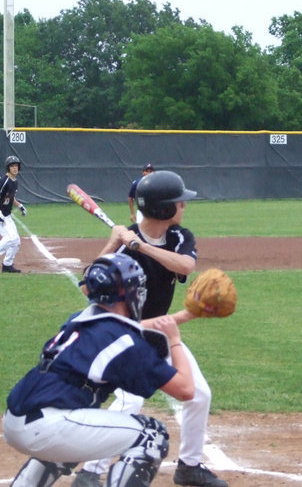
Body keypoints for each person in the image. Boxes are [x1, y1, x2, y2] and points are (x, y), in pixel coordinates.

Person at [74, 170, 228, 487]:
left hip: (158, 332)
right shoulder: (124, 242)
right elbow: (88, 288)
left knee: (199, 394)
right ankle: (90, 471)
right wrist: (114, 242)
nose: (184, 206)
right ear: (162, 208)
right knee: (130, 402)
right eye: (179, 202)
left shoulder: (178, 237)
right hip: (126, 338)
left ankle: (189, 466)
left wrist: (141, 247)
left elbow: (185, 266)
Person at [2, 253, 195, 487]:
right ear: (125, 294)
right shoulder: (125, 343)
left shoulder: (80, 320)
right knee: (152, 435)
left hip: (16, 420)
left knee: (70, 442)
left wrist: (184, 316)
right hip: (48, 426)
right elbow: (185, 390)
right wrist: (174, 339)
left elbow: (127, 328)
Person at [0, 155, 27, 273]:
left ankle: (7, 265)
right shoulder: (4, 180)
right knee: (10, 237)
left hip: (6, 215)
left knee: (16, 241)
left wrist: (20, 206)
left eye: (16, 165)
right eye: (12, 166)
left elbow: (10, 198)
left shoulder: (14, 181)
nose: (15, 168)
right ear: (8, 168)